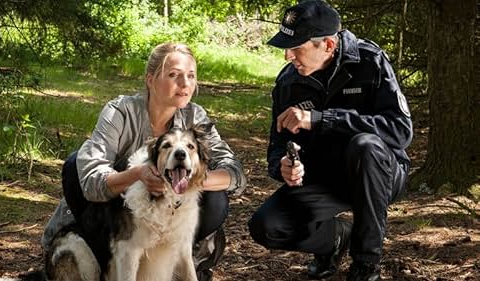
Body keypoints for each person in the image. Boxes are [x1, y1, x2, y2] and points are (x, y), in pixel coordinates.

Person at [42, 42, 247, 281]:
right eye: (174, 75)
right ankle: (106, 262)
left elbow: (235, 173)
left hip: (166, 219)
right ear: (150, 79)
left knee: (216, 199)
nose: (185, 84)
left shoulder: (195, 116)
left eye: (191, 76)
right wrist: (138, 174)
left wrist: (193, 180)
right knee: (74, 163)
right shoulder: (120, 111)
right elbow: (89, 181)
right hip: (109, 217)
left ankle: (170, 264)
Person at [247, 1, 412, 280]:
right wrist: (285, 166)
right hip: (325, 179)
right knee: (267, 226)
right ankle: (335, 239)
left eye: (296, 47)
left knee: (365, 146)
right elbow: (276, 148)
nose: (288, 56)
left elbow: (399, 130)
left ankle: (366, 263)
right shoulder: (288, 82)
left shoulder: (370, 62)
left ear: (327, 45)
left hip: (379, 173)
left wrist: (321, 119)